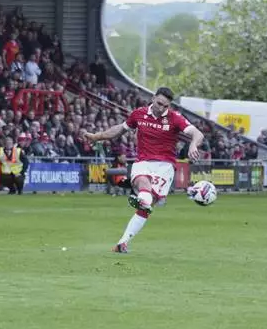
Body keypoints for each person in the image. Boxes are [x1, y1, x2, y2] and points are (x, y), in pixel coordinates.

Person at [82, 87, 204, 254]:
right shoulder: (138, 114)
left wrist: (193, 144)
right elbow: (119, 129)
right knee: (142, 183)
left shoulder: (175, 118)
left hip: (165, 166)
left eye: (165, 106)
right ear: (153, 98)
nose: (161, 108)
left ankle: (122, 243)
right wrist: (97, 136)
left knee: (146, 207)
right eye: (159, 103)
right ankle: (142, 198)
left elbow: (197, 133)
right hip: (143, 162)